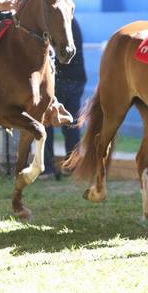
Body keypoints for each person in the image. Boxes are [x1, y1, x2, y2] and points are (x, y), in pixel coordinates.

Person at [42, 17, 87, 179]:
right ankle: (72, 167)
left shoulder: (54, 24)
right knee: (71, 125)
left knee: (45, 124)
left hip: (57, 80)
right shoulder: (72, 22)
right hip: (75, 79)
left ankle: (47, 168)